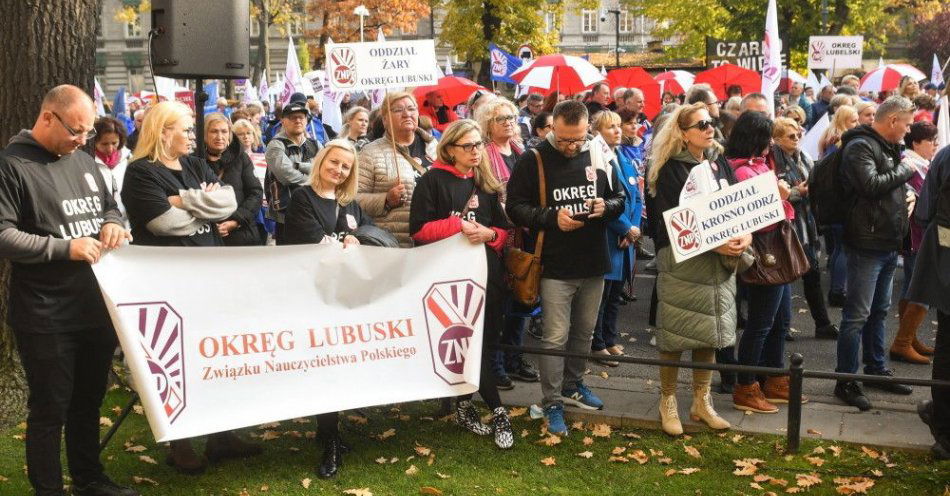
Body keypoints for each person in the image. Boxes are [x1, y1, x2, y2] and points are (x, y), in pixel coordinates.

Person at [0, 85, 138, 496]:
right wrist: (64, 248)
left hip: (94, 306)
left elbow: (108, 204)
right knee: (50, 409)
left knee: (88, 402)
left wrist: (112, 222)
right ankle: (49, 489)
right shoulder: (12, 165)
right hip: (45, 314)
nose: (83, 141)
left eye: (88, 133)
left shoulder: (83, 160)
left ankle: (89, 478)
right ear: (47, 118)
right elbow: (3, 235)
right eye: (76, 131)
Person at [506, 100, 625, 435]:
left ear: (588, 128)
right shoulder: (534, 158)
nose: (571, 146)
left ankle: (574, 385)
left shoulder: (598, 153)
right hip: (555, 263)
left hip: (593, 259)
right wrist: (551, 218)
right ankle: (552, 400)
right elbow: (515, 207)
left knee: (584, 332)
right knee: (555, 336)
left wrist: (607, 207)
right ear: (551, 128)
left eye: (578, 139)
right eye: (563, 139)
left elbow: (620, 199)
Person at [409, 119, 515, 449]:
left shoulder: (486, 182)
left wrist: (490, 235)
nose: (475, 151)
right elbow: (419, 230)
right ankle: (498, 410)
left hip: (487, 275)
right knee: (466, 342)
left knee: (486, 340)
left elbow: (504, 232)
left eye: (478, 145)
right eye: (467, 146)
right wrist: (457, 225)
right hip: (449, 279)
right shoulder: (432, 181)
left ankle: (465, 405)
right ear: (450, 148)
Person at [644, 102, 748, 435]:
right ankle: (668, 400)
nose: (709, 129)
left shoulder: (720, 165)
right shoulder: (669, 169)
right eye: (701, 124)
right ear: (683, 132)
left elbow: (737, 208)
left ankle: (702, 401)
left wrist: (742, 237)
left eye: (711, 122)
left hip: (717, 265)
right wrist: (718, 243)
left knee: (709, 332)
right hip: (683, 262)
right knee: (675, 334)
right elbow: (672, 223)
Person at [279, 139, 373, 476]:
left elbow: (362, 230)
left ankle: (327, 431)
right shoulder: (302, 198)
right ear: (321, 161)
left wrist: (357, 236)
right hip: (311, 296)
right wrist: (344, 243)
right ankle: (331, 440)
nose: (338, 170)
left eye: (345, 166)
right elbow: (316, 244)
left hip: (343, 296)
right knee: (324, 365)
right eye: (334, 162)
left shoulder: (350, 202)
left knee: (339, 364)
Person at [833, 96, 917, 411]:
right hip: (865, 243)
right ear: (893, 121)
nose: (908, 132)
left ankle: (875, 369)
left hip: (885, 242)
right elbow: (870, 184)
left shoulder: (888, 147)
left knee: (878, 312)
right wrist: (905, 172)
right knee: (856, 316)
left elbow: (885, 187)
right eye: (906, 125)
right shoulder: (860, 146)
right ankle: (846, 380)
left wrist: (905, 195)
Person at [725, 111, 799, 413]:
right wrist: (781, 197)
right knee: (760, 324)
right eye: (767, 136)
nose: (771, 141)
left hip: (773, 253)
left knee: (780, 321)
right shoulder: (742, 171)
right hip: (763, 254)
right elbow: (763, 220)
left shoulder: (756, 165)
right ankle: (746, 385)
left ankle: (772, 377)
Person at [474, 98, 539, 388]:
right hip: (499, 236)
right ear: (488, 124)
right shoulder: (483, 155)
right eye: (501, 118)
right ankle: (495, 364)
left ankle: (514, 357)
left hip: (523, 234)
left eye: (512, 116)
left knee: (522, 297)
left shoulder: (521, 151)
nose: (509, 122)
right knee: (499, 302)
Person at [771, 117, 838, 340]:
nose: (797, 138)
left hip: (807, 224)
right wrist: (798, 192)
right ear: (777, 139)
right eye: (791, 136)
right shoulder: (772, 160)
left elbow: (814, 181)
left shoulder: (804, 156)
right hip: (787, 227)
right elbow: (778, 194)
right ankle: (782, 326)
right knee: (786, 278)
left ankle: (822, 323)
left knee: (812, 274)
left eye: (799, 134)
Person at [590, 111, 643, 367]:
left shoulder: (624, 158)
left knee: (614, 297)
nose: (618, 131)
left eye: (619, 126)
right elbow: (602, 201)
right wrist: (623, 228)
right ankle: (597, 344)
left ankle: (610, 339)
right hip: (609, 237)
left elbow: (636, 197)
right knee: (602, 295)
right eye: (611, 127)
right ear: (597, 131)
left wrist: (633, 227)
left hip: (625, 239)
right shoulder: (597, 158)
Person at [908, 143, 950, 460]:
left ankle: (945, 431)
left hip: (946, 261)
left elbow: (924, 212)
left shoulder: (946, 156)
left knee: (948, 348)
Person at [357, 92, 438, 247]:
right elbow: (353, 199)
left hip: (435, 242)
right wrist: (385, 200)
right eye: (398, 110)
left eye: (411, 108)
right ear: (385, 119)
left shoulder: (437, 148)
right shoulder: (370, 152)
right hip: (395, 244)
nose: (407, 114)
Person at [890, 122, 939, 364]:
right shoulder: (908, 166)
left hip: (920, 233)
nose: (935, 145)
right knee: (919, 287)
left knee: (914, 286)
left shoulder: (919, 164)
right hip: (915, 234)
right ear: (916, 143)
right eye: (931, 141)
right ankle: (902, 342)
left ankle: (908, 338)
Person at [264, 99, 322, 243]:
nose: (297, 120)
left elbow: (324, 169)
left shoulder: (315, 144)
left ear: (306, 120)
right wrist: (314, 178)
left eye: (301, 117)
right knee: (287, 259)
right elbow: (287, 176)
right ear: (283, 121)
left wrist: (296, 165)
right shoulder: (275, 145)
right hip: (286, 214)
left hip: (314, 211)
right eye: (292, 117)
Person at [203, 113, 265, 246]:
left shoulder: (241, 158)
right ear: (204, 134)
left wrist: (236, 221)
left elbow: (255, 193)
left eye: (224, 131)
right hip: (207, 237)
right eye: (214, 131)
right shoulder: (193, 161)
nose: (220, 137)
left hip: (242, 235)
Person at [92, 116, 131, 228]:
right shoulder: (88, 162)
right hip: (100, 222)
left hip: (126, 221)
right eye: (104, 144)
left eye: (114, 143)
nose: (110, 149)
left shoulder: (129, 159)